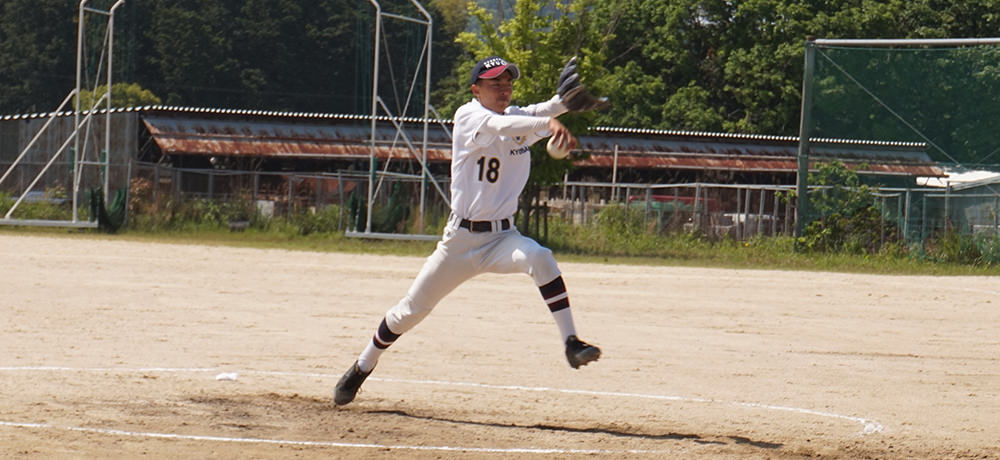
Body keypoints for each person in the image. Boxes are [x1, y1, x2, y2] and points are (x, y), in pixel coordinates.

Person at [334, 55, 606, 406]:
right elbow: (509, 126)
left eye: (507, 83)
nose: (503, 88)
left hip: (502, 238)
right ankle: (363, 365)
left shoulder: (516, 117)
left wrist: (563, 106)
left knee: (541, 257)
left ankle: (571, 343)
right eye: (495, 83)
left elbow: (539, 113)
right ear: (475, 89)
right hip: (459, 243)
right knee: (410, 311)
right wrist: (551, 120)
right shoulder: (469, 116)